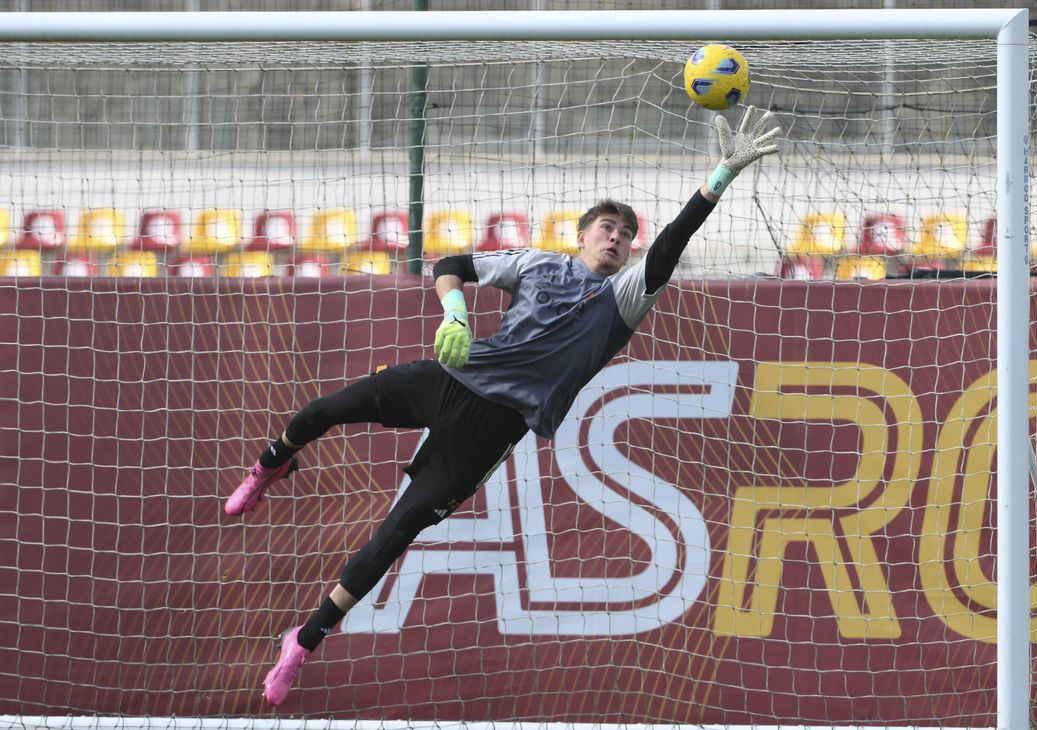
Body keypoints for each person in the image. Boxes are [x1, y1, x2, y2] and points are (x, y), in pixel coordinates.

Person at [223, 105, 781, 706]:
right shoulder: (539, 264)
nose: (617, 239)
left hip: (492, 428)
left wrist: (719, 176)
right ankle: (274, 461)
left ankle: (303, 642)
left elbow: (673, 243)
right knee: (322, 411)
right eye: (607, 228)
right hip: (451, 378)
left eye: (625, 234)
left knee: (395, 533)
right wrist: (455, 310)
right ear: (582, 234)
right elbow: (451, 266)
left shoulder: (624, 298)